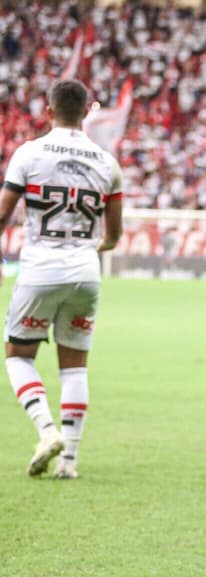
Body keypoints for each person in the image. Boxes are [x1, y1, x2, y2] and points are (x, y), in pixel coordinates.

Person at [0, 79, 122, 479]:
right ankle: (69, 461)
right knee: (75, 368)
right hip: (86, 272)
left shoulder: (29, 153)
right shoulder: (107, 162)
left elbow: (4, 214)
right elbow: (114, 236)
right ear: (88, 112)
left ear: (48, 111)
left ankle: (47, 430)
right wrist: (91, 247)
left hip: (40, 269)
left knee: (18, 356)